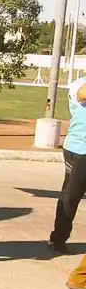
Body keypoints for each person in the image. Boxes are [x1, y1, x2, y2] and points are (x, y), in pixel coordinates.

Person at [51, 72, 86, 260]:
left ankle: (58, 237)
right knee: (71, 196)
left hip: (78, 147)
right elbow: (82, 94)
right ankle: (58, 238)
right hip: (80, 149)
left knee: (69, 195)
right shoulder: (79, 84)